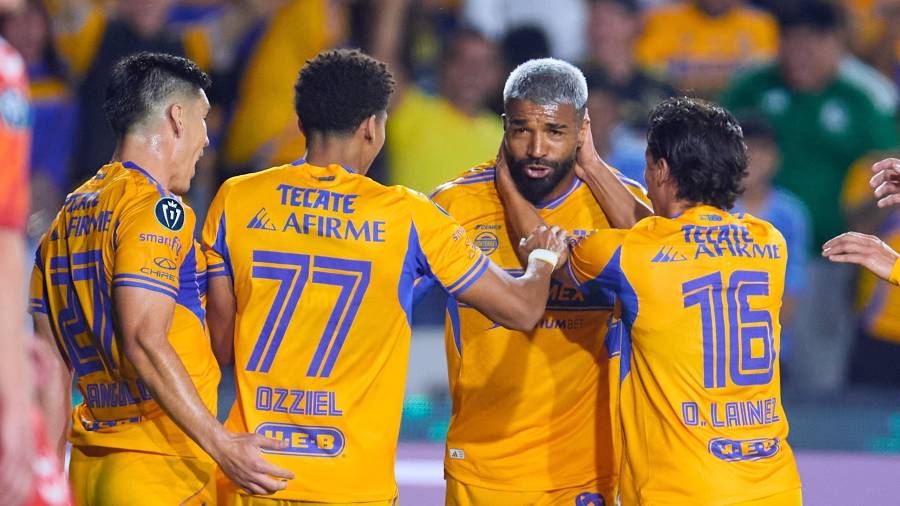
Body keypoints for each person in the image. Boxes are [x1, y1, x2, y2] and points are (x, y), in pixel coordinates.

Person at [203, 48, 568, 505]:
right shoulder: (409, 218)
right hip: (352, 489)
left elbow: (220, 345)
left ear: (301, 124)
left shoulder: (236, 198)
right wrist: (542, 260)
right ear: (372, 128)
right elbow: (522, 309)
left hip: (251, 478)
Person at [497, 97, 802, 505]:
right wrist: (591, 166)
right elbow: (664, 240)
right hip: (775, 486)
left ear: (659, 170)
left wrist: (507, 186)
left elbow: (543, 248)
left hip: (682, 490)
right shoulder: (769, 242)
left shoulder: (627, 255)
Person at [28, 52, 293, 505]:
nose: (208, 139)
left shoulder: (63, 223)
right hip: (160, 472)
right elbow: (145, 339)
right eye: (203, 119)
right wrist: (222, 444)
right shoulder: (158, 211)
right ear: (176, 118)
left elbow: (51, 369)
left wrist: (48, 481)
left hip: (91, 472)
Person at [426, 58, 651, 506]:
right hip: (483, 468)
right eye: (521, 129)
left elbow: (662, 250)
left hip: (586, 470)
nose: (536, 148)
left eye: (555, 132)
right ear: (503, 125)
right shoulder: (454, 205)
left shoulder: (618, 205)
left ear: (582, 130)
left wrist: (593, 166)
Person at [722, 0, 900, 395]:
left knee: (818, 373)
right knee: (737, 366)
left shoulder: (867, 95)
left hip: (830, 259)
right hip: (741, 253)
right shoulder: (752, 86)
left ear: (836, 42)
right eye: (790, 41)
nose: (798, 54)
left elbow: (891, 168)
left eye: (811, 43)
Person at [731, 116, 811, 350]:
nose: (751, 160)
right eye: (744, 150)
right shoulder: (709, 208)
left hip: (769, 346)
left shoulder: (791, 214)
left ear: (776, 158)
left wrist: (760, 339)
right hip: (713, 344)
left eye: (761, 150)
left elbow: (793, 284)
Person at [636, 0, 778, 95]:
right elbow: (646, 65)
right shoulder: (663, 19)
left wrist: (692, 75)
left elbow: (768, 69)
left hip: (742, 108)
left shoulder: (760, 23)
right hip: (674, 104)